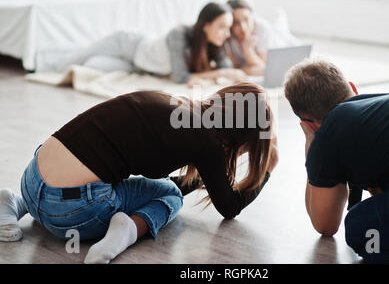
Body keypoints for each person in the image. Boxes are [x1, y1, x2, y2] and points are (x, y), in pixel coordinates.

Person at [0, 82, 278, 264]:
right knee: (169, 196)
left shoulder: (174, 103)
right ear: (243, 137)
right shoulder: (208, 144)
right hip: (70, 213)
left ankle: (14, 202)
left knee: (134, 180)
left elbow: (189, 176)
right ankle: (128, 230)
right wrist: (267, 170)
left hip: (32, 176)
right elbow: (228, 207)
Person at [283, 59, 389, 264]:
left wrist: (312, 147)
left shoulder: (329, 131)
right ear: (352, 87)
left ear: (309, 124)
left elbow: (325, 225)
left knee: (360, 227)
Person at [43, 2, 248, 87]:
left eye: (228, 28)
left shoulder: (213, 43)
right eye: (222, 27)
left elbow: (225, 68)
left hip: (138, 66)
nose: (226, 33)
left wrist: (229, 73)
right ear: (206, 25)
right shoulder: (179, 35)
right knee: (77, 58)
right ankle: (48, 64)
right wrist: (219, 74)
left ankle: (63, 57)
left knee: (91, 64)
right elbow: (181, 77)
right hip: (128, 45)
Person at [224, 0, 269, 76]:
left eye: (246, 19)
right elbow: (233, 69)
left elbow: (264, 69)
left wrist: (247, 50)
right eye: (236, 23)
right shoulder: (226, 35)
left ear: (252, 17)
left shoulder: (261, 28)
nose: (243, 27)